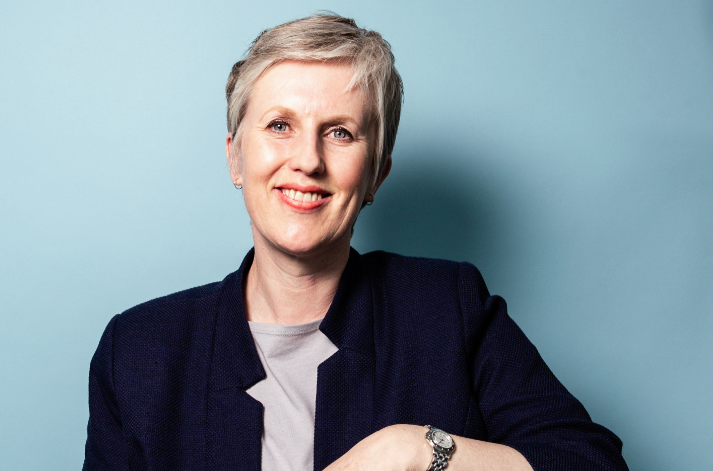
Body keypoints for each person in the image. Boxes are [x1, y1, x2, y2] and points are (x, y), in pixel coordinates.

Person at [83, 13, 628, 471]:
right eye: (279, 125)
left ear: (375, 176)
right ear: (235, 157)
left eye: (340, 132)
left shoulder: (448, 308)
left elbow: (588, 461)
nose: (308, 160)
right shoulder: (138, 349)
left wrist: (415, 449)